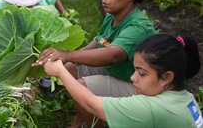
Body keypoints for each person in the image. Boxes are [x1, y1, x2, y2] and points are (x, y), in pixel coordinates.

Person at [33, 0, 156, 127]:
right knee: (69, 69)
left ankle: (94, 125)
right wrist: (70, 58)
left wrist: (67, 54)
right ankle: (82, 119)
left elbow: (113, 55)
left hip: (136, 84)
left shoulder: (138, 27)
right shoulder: (113, 15)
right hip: (117, 70)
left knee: (81, 85)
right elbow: (99, 41)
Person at [37, 34, 202, 128]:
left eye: (142, 73)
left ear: (167, 77)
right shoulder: (186, 97)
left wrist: (59, 70)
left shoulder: (152, 108)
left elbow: (91, 104)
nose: (132, 77)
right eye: (135, 70)